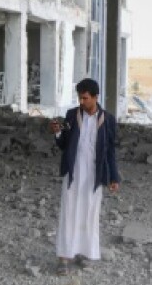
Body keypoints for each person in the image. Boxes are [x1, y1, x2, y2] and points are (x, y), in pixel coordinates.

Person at [49, 78, 121, 274]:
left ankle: (85, 253)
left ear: (95, 97)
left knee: (89, 212)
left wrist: (113, 178)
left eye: (85, 98)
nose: (81, 102)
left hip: (94, 174)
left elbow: (110, 152)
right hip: (74, 172)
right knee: (69, 211)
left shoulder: (109, 120)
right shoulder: (71, 116)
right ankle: (64, 257)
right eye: (80, 98)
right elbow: (64, 143)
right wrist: (57, 132)